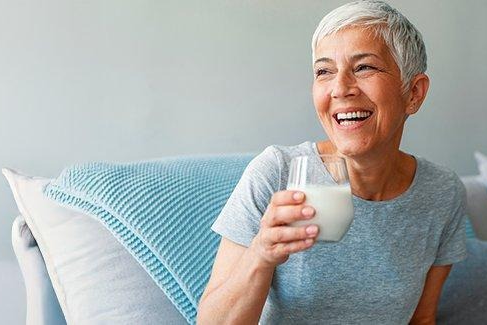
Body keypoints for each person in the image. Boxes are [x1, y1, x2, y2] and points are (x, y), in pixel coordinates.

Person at [196, 1, 468, 324]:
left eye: (364, 67)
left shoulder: (442, 194)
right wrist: (261, 255)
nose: (340, 88)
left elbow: (421, 320)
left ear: (414, 93)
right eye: (324, 71)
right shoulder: (278, 172)